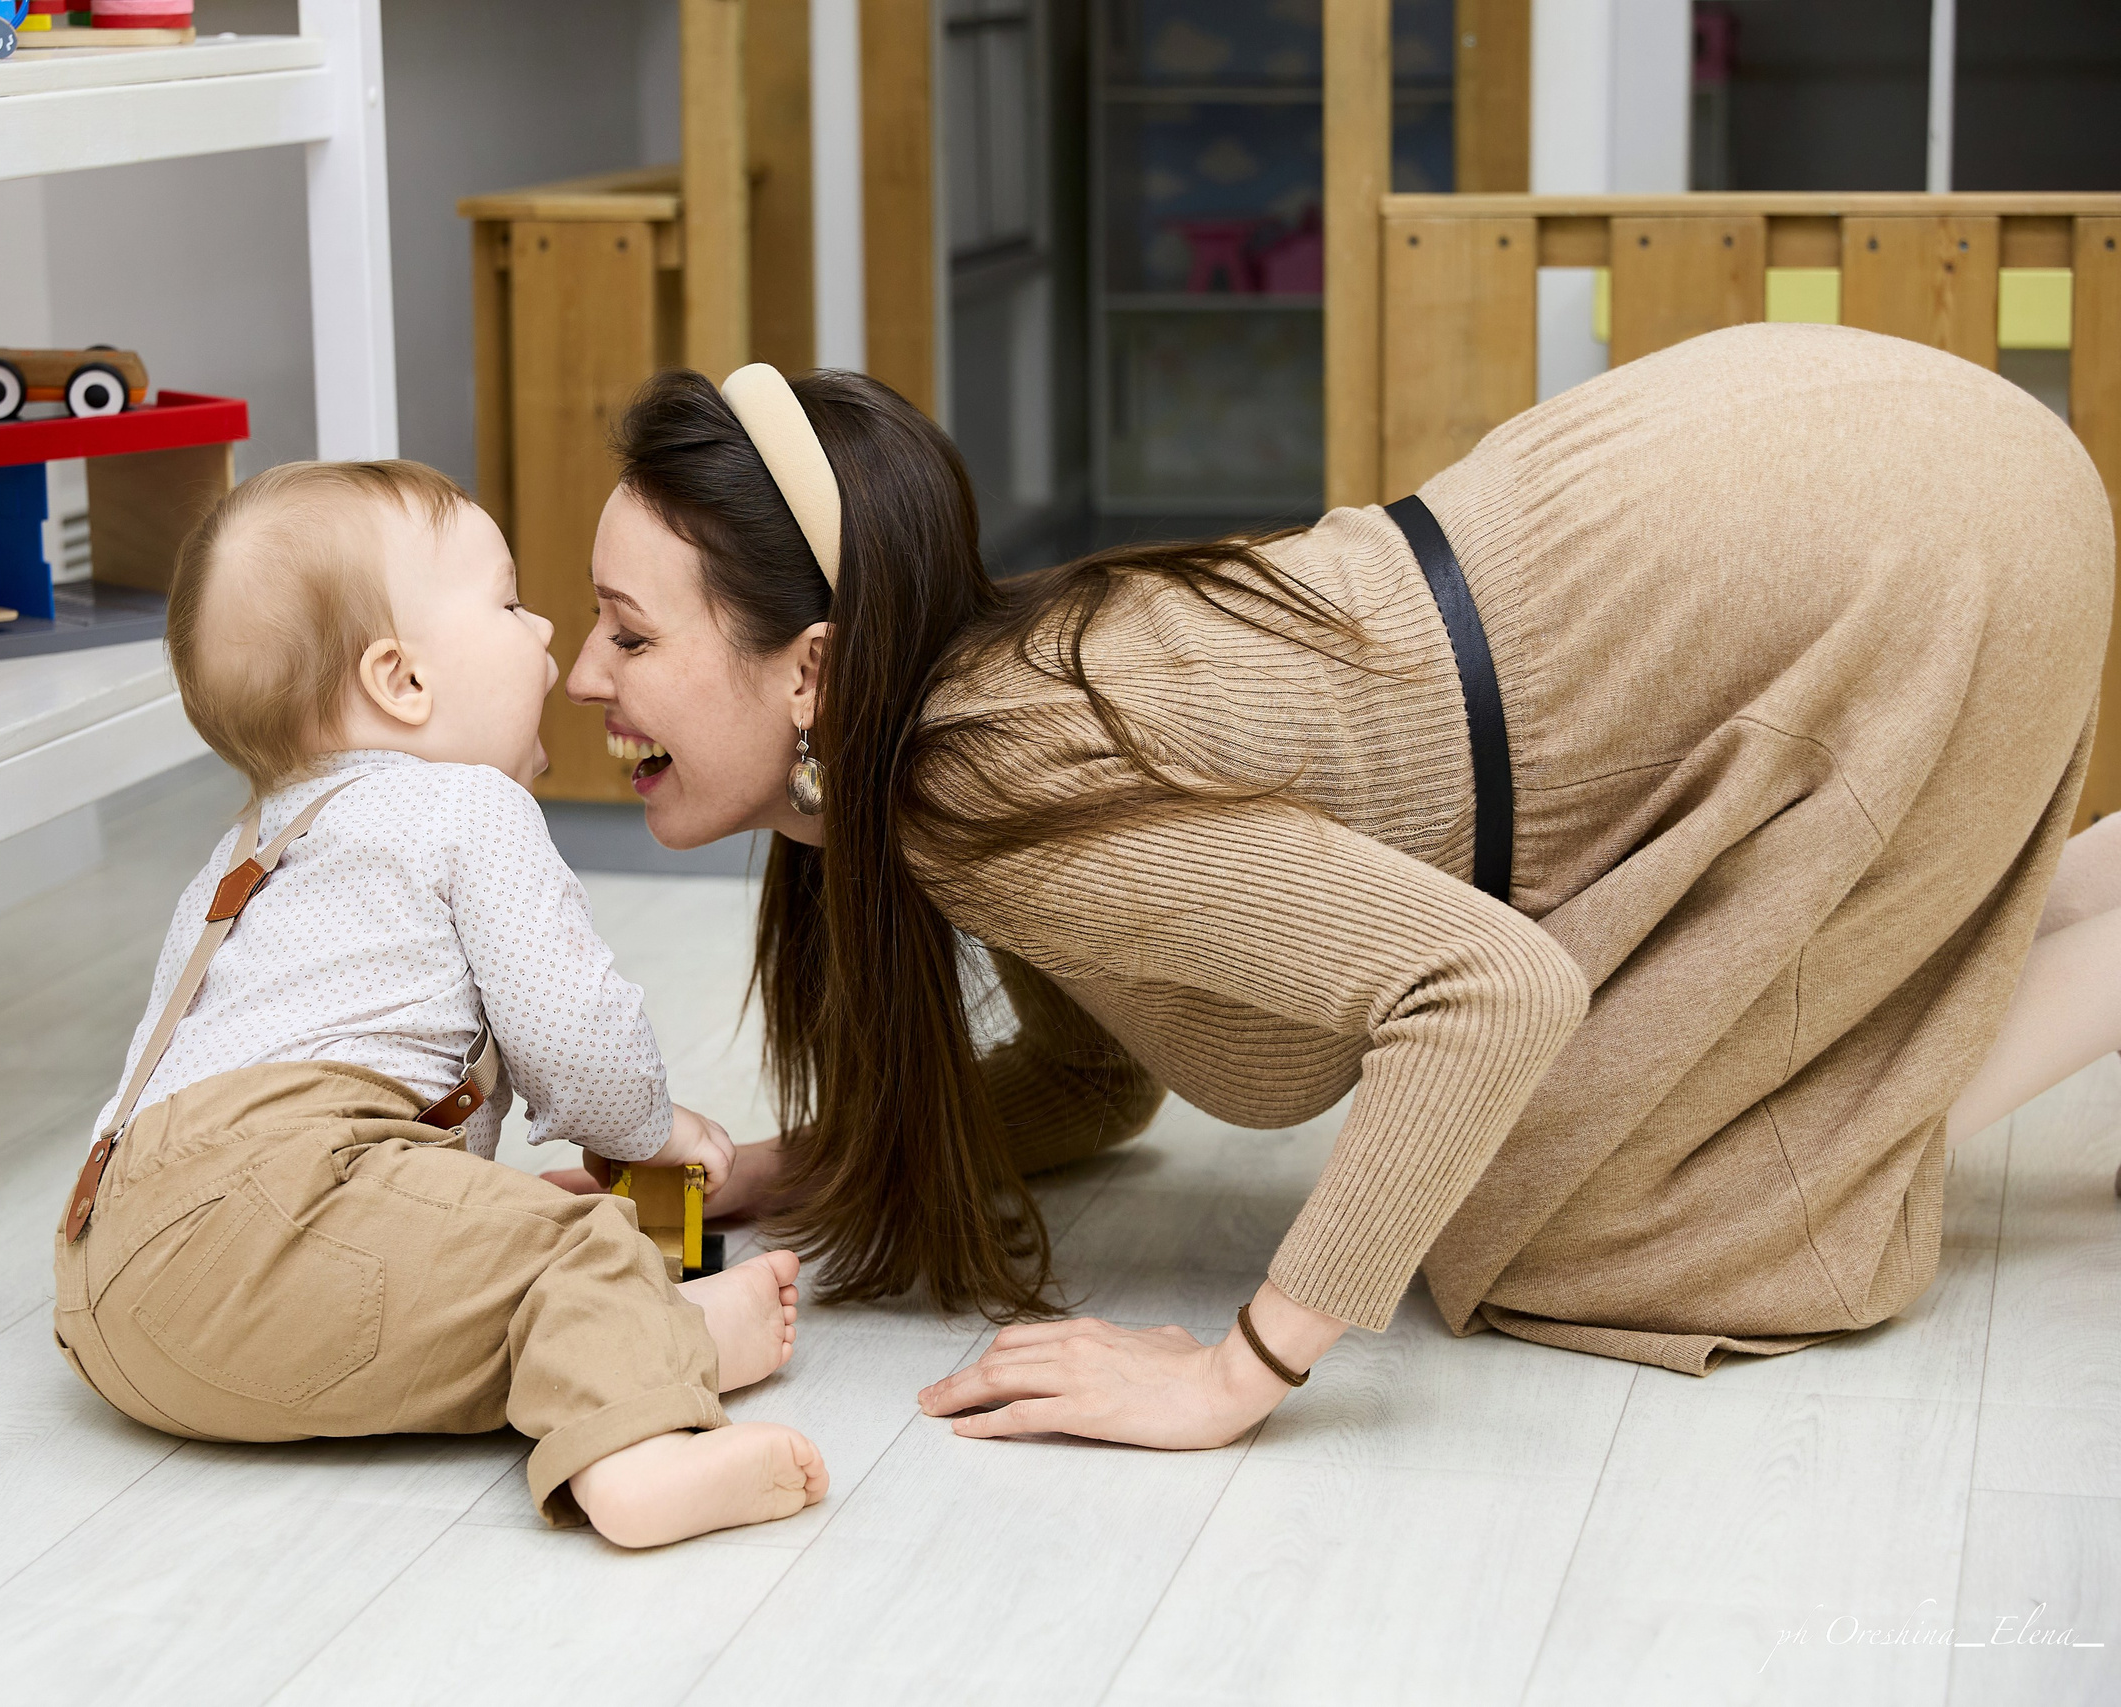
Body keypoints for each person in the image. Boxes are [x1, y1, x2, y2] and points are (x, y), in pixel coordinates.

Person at [554, 325, 2120, 1450]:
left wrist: (1236, 1372)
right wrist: (776, 1166)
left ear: (813, 668)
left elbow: (1490, 991)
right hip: (1767, 474)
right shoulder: (971, 731)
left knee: (1571, 1222)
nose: (579, 674)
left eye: (630, 634)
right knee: (1585, 1118)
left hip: (1864, 537)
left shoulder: (984, 778)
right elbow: (1095, 1082)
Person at [51, 458, 826, 1545]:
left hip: (107, 1295)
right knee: (576, 1242)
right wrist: (651, 1130)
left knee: (511, 1250)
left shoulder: (255, 849)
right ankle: (636, 1444)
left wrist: (466, 1203)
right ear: (401, 681)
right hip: (262, 1219)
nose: (549, 630)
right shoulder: (466, 806)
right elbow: (577, 1038)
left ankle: (635, 1325)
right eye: (508, 604)